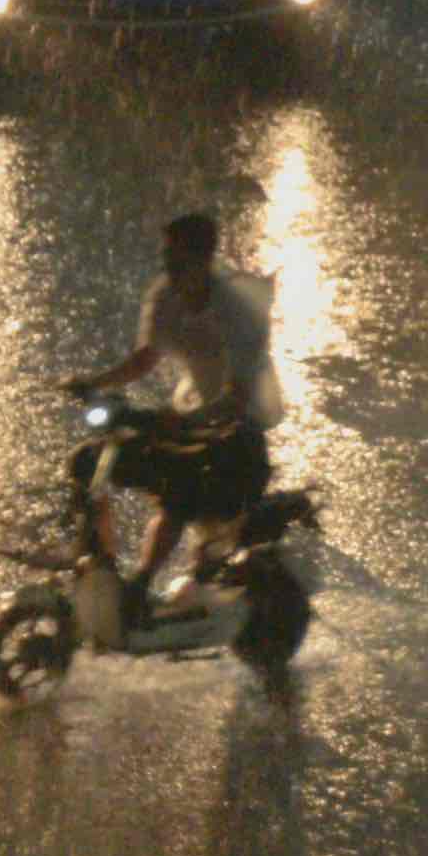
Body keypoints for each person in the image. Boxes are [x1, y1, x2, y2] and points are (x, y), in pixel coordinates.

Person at [67, 211, 284, 618]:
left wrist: (184, 423)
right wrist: (95, 383)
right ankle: (100, 568)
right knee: (88, 461)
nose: (167, 269)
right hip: (190, 417)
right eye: (165, 259)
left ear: (203, 261)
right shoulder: (165, 296)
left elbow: (237, 398)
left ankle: (143, 582)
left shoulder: (235, 312)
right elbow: (145, 359)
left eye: (177, 261)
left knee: (179, 492)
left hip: (238, 429)